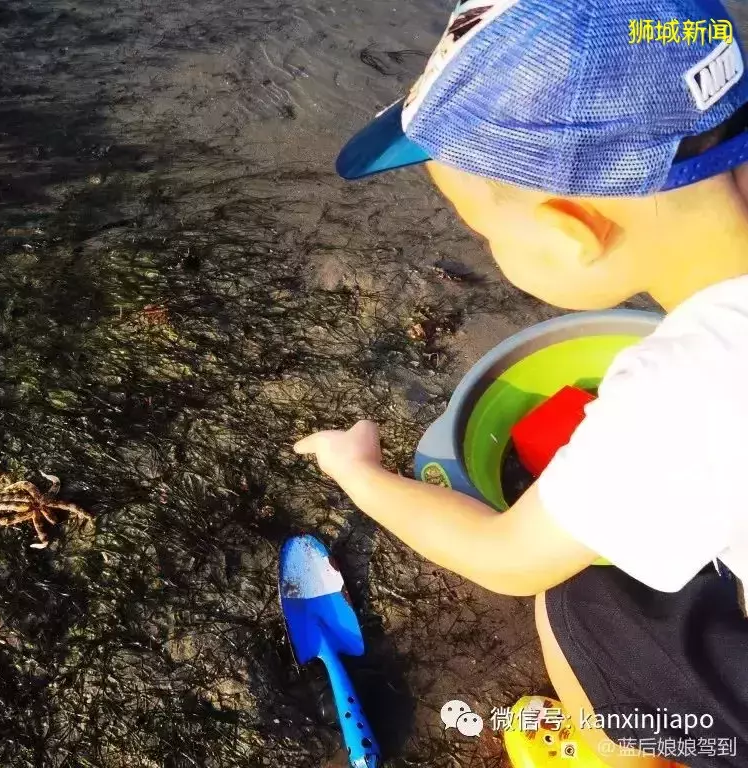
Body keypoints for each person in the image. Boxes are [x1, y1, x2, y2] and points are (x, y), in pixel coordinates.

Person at [293, 0, 748, 766]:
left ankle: (635, 752)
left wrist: (357, 471)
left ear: (572, 233)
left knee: (583, 610)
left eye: (484, 231)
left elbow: (506, 555)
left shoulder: (683, 384)